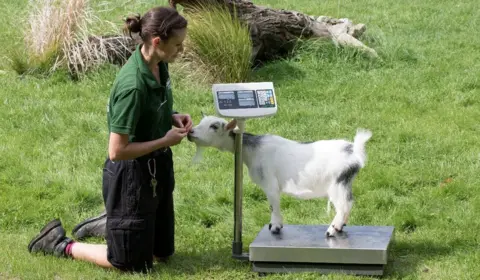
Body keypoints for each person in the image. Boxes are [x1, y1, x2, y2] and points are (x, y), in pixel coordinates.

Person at [28, 6, 193, 273]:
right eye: (177, 44)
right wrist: (164, 140)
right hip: (131, 174)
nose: (181, 50)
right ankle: (59, 243)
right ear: (156, 42)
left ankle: (113, 222)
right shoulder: (132, 86)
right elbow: (117, 151)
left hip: (158, 169)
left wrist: (171, 115)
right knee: (131, 264)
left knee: (163, 254)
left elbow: (150, 110)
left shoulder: (159, 64)